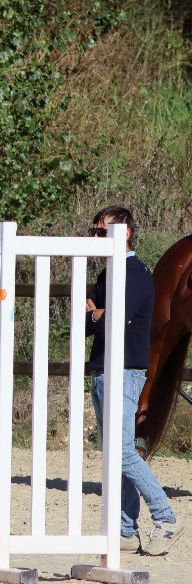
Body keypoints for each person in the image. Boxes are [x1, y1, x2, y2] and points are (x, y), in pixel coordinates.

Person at [86, 205, 184, 555]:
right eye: (94, 232)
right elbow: (89, 323)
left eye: (102, 232)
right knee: (115, 453)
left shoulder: (136, 274)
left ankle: (166, 515)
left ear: (124, 232)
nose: (95, 238)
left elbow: (112, 322)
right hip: (102, 368)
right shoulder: (106, 275)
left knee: (124, 452)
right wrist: (98, 315)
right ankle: (126, 529)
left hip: (125, 371)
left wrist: (98, 314)